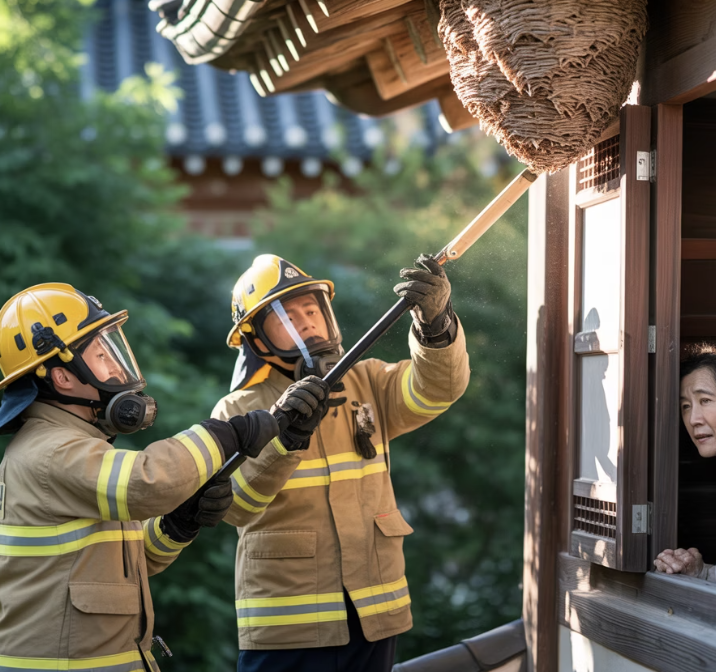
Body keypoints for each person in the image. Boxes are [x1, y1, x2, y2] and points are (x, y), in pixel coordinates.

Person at [212, 253, 470, 672]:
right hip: (289, 624)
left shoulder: (368, 380)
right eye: (288, 318)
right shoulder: (236, 410)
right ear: (257, 341)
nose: (306, 323)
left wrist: (436, 326)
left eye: (311, 310)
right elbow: (236, 505)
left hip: (375, 611)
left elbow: (438, 389)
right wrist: (285, 438)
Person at [0, 283, 278, 670]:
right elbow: (147, 483)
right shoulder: (50, 451)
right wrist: (224, 434)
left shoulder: (72, 445)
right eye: (102, 355)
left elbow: (127, 564)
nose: (117, 367)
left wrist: (176, 525)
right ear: (62, 377)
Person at [654, 343, 716, 588]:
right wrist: (698, 571)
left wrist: (702, 575)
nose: (693, 419)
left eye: (706, 400)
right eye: (686, 406)